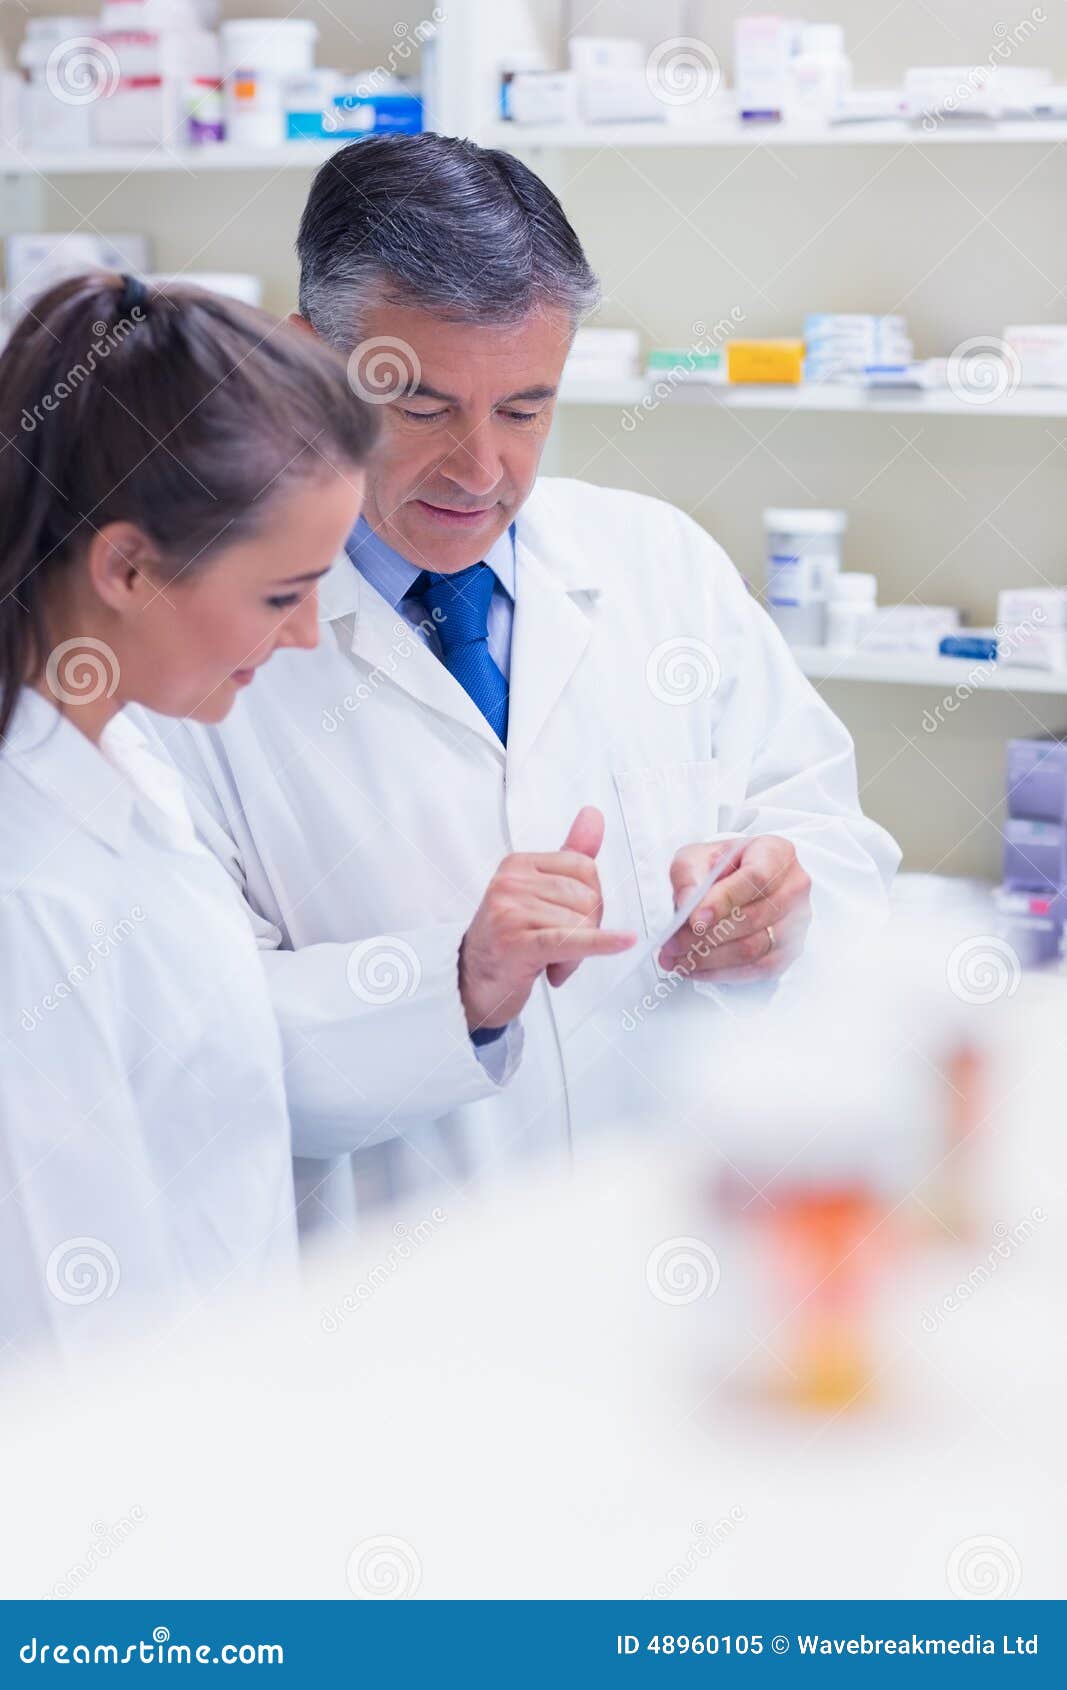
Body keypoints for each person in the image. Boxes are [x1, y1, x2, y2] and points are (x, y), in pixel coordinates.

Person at [145, 134, 901, 1238]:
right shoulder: (193, 654)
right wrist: (455, 984)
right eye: (423, 408)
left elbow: (832, 840)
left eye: (523, 409)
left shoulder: (660, 565)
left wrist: (784, 902)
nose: (481, 470)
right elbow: (187, 1040)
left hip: (673, 1248)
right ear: (309, 365)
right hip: (390, 1288)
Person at [0, 273, 376, 1362]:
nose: (304, 634)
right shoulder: (29, 894)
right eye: (280, 594)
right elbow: (63, 1336)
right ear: (126, 565)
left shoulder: (127, 763)